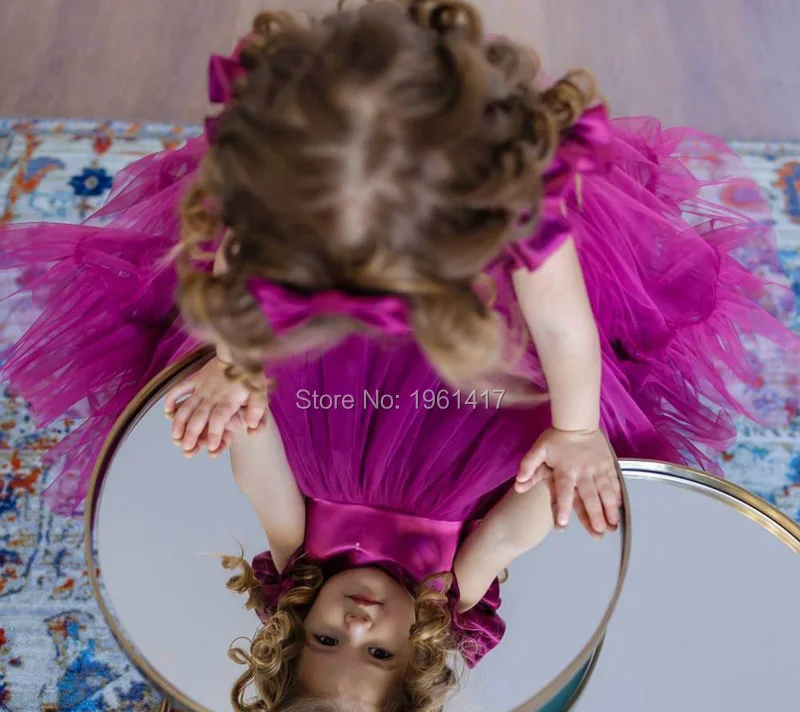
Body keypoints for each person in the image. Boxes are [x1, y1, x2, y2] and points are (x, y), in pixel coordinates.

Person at [1, 0, 796, 521]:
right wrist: (233, 365)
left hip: (473, 245)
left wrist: (577, 430)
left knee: (540, 368)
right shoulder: (269, 197)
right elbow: (237, 285)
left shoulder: (519, 207)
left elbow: (563, 328)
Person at [213, 329, 584, 712]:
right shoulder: (447, 591)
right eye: (379, 653)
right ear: (417, 658)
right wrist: (559, 468)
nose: (357, 626)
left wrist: (240, 392)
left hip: (345, 385)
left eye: (327, 640)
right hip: (469, 399)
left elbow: (262, 483)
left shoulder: (302, 563)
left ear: (299, 628)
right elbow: (511, 534)